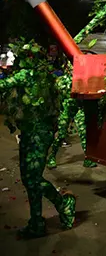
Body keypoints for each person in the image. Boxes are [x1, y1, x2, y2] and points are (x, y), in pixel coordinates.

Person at [0, 42, 76, 238]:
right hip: (31, 132)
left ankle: (62, 205)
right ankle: (36, 222)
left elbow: (3, 85)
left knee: (32, 178)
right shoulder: (44, 76)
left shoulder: (31, 75)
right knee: (28, 179)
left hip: (39, 134)